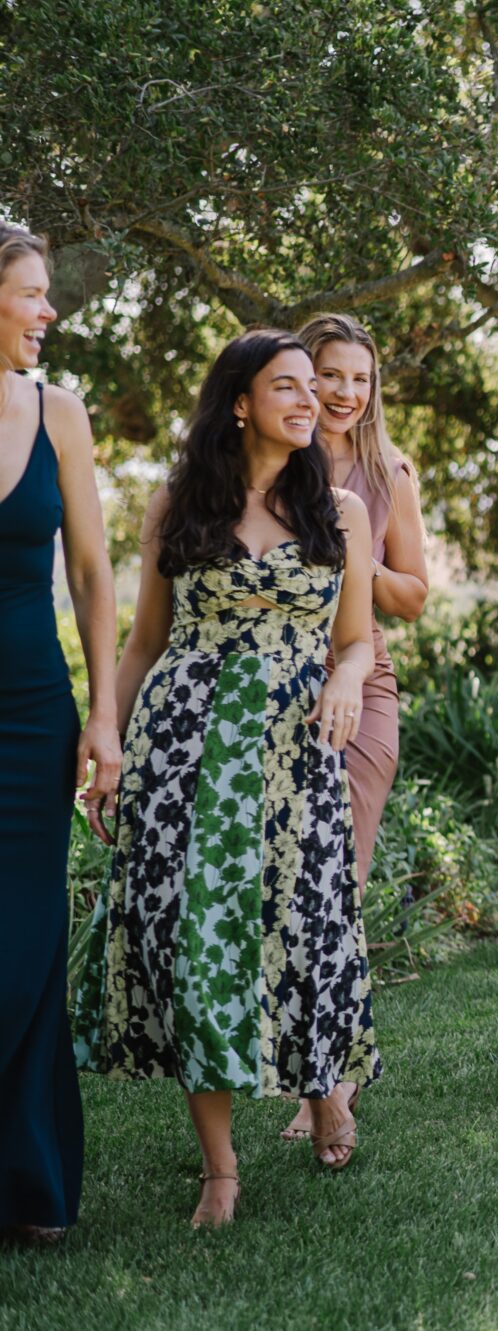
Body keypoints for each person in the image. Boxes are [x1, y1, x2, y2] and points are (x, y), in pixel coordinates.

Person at [73, 329, 379, 1226]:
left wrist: (349, 678)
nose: (308, 399)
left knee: (308, 924)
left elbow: (356, 638)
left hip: (294, 747)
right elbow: (143, 644)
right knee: (193, 939)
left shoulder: (341, 511)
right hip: (183, 744)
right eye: (285, 386)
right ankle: (220, 1167)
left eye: (310, 388)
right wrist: (109, 751)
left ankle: (324, 1080)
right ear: (239, 402)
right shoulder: (177, 504)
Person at [277, 312, 428, 1143]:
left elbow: (413, 593)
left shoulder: (385, 471)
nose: (344, 392)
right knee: (288, 889)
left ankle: (324, 1082)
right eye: (330, 375)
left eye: (359, 379)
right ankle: (312, 1064)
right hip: (271, 685)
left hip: (363, 688)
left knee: (338, 883)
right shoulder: (268, 460)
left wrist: (348, 545)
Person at [0, 226, 119, 1241]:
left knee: (28, 936)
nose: (49, 311)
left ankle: (30, 1181)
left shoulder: (57, 412)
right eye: (32, 293)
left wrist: (105, 713)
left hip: (33, 708)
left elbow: (89, 572)